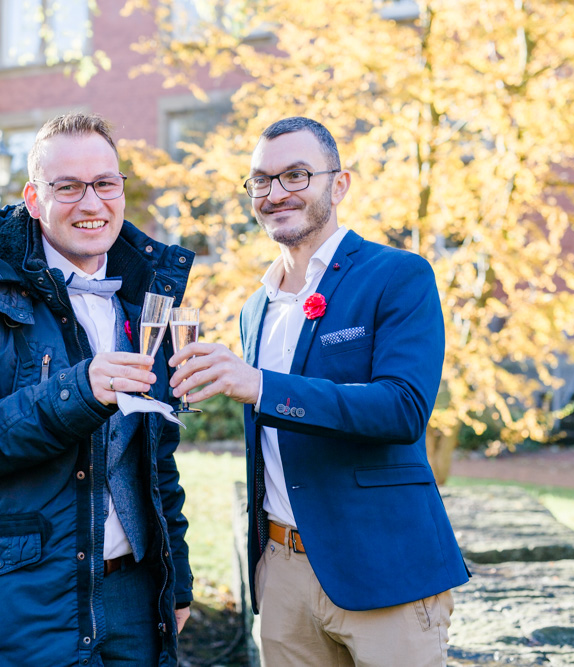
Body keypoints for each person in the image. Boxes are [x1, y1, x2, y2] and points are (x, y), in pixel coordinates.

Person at [169, 117, 470, 666]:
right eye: (261, 180)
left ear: (339, 184)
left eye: (296, 175)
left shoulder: (398, 275)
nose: (275, 193)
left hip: (386, 570)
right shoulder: (253, 308)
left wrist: (260, 385)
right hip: (281, 575)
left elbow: (402, 410)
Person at [0, 111, 195, 666]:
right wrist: (78, 391)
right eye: (66, 186)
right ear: (33, 197)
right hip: (18, 604)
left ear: (121, 190)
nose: (91, 203)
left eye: (104, 184)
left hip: (132, 601)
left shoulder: (145, 306)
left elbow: (156, 460)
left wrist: (177, 578)